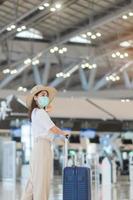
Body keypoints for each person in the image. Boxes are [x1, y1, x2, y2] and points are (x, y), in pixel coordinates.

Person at [21, 84, 69, 200]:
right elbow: (52, 128)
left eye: (46, 95)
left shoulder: (34, 112)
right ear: (35, 97)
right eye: (42, 95)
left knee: (33, 182)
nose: (45, 97)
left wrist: (46, 110)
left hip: (38, 147)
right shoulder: (40, 113)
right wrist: (64, 133)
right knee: (41, 181)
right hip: (43, 147)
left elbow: (45, 116)